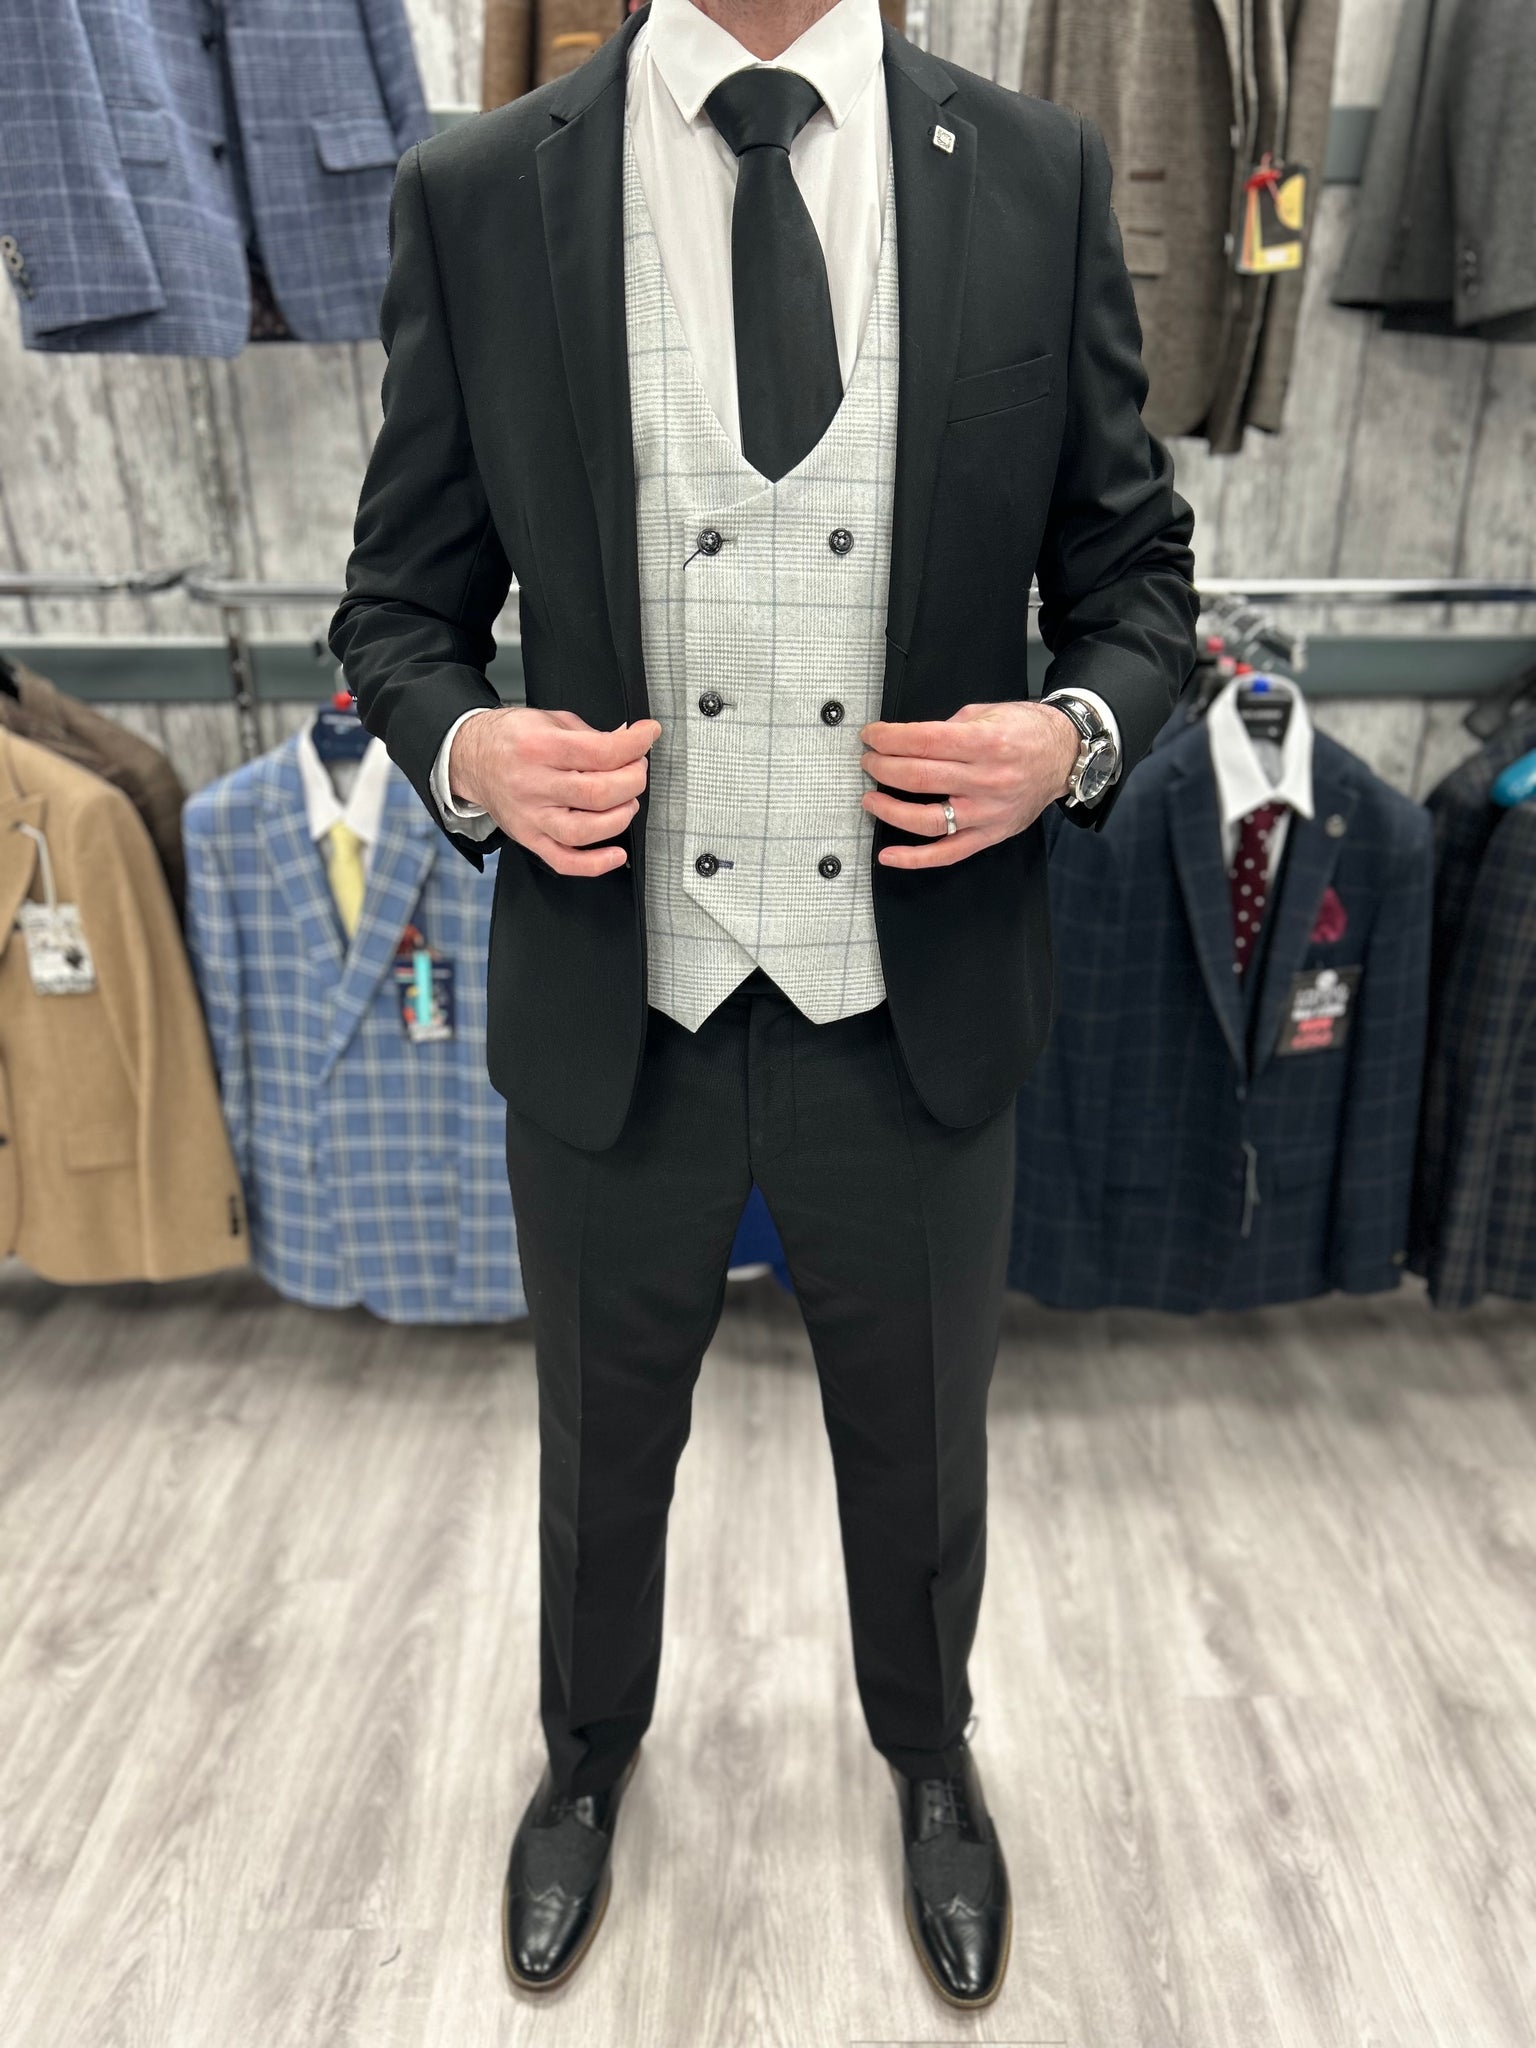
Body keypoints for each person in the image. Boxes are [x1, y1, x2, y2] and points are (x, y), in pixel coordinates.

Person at [330, 0, 1197, 2010]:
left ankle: (930, 1755)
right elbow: (397, 608)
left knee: (925, 1438)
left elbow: (1139, 580)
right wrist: (468, 752)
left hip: (914, 983)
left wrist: (1072, 735)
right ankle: (582, 1755)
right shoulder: (481, 192)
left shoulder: (1039, 174)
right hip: (612, 985)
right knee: (595, 1438)